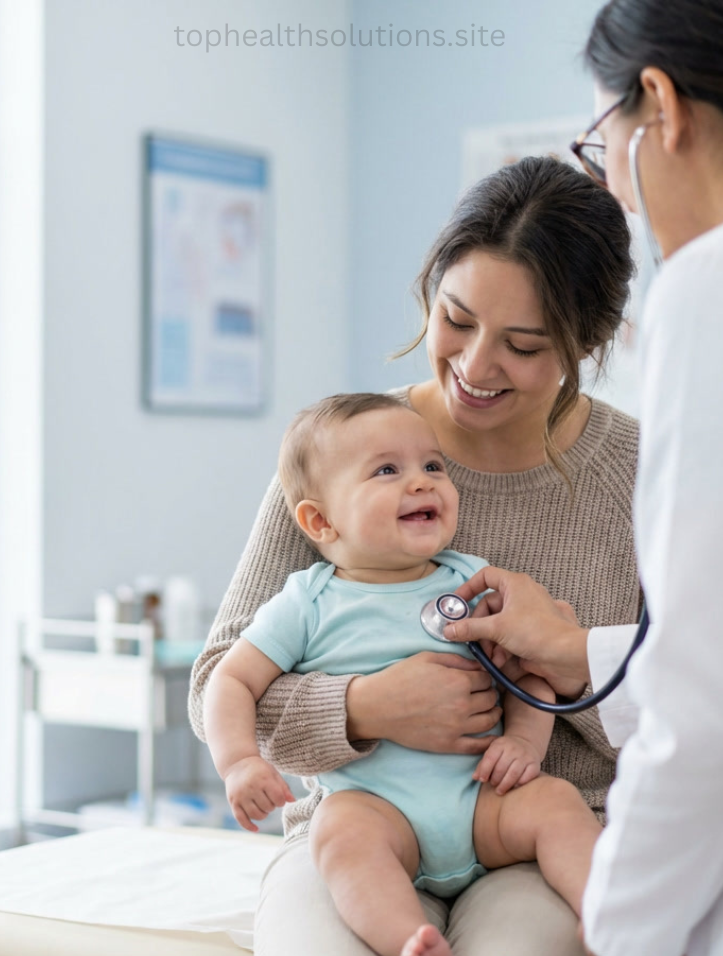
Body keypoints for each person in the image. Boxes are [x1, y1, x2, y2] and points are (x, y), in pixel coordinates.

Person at [441, 0, 723, 952]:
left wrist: (624, 930)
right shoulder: (349, 436)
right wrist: (578, 649)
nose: (627, 198)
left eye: (608, 147)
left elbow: (720, 707)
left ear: (663, 105)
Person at [189, 155, 642, 956]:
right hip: (359, 819)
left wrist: (572, 666)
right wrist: (364, 708)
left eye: (524, 345)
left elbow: (709, 713)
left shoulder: (643, 476)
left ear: (589, 341)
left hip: (528, 828)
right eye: (456, 318)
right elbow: (216, 683)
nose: (474, 366)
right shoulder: (345, 455)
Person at [203, 394, 603, 956]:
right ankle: (407, 940)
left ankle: (606, 912)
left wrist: (523, 741)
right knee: (339, 833)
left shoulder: (473, 581)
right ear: (320, 520)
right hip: (380, 810)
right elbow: (230, 681)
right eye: (388, 470)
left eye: (433, 466)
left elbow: (530, 671)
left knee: (558, 803)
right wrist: (240, 762)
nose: (421, 482)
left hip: (483, 803)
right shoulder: (308, 602)